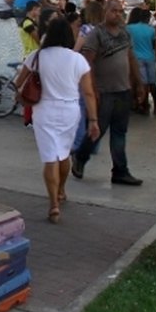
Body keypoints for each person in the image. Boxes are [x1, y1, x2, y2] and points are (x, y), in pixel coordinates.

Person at [14, 18, 99, 224]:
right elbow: (88, 93)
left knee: (49, 157)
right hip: (70, 111)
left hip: (43, 110)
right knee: (63, 154)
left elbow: (18, 84)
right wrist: (93, 120)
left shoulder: (37, 56)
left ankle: (53, 205)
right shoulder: (77, 60)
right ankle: (61, 189)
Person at [71, 0, 144, 186]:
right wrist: (93, 88)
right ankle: (81, 156)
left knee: (120, 132)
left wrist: (138, 83)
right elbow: (88, 62)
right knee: (98, 130)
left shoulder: (125, 33)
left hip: (123, 90)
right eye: (114, 11)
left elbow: (130, 57)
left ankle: (120, 171)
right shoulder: (97, 34)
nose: (117, 15)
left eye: (120, 11)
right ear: (106, 11)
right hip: (104, 92)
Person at [126, 8, 156, 115]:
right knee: (152, 82)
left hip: (137, 58)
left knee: (143, 83)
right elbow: (153, 45)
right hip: (150, 57)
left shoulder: (129, 28)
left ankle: (143, 105)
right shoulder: (151, 30)